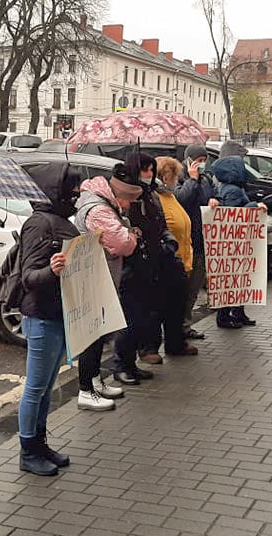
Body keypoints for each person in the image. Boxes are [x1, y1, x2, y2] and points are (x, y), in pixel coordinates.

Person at [16, 162, 82, 476]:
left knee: (45, 386)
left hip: (57, 313)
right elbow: (28, 276)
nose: (75, 195)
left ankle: (39, 443)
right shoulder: (40, 224)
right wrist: (52, 271)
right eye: (70, 189)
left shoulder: (56, 221)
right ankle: (28, 449)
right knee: (36, 387)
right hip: (42, 315)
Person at [73, 175, 139, 411]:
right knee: (92, 336)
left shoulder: (102, 206)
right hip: (94, 279)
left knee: (99, 334)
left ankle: (94, 381)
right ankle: (86, 390)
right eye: (129, 199)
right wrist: (132, 234)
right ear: (119, 195)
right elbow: (123, 244)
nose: (130, 205)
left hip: (99, 277)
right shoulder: (99, 210)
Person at [113, 154, 169, 384]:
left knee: (141, 318)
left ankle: (131, 364)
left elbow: (159, 223)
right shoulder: (125, 198)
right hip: (131, 267)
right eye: (144, 170)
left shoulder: (150, 195)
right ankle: (121, 365)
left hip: (150, 263)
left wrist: (166, 240)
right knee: (128, 320)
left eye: (151, 170)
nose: (149, 175)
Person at [138, 156, 197, 359]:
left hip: (176, 258)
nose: (177, 179)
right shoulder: (151, 196)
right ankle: (149, 348)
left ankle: (175, 342)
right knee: (156, 307)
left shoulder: (168, 195)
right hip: (160, 259)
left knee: (176, 305)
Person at [208, 154, 263, 328]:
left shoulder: (225, 187)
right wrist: (253, 206)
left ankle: (238, 314)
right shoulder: (233, 190)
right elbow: (232, 215)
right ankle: (226, 316)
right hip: (235, 242)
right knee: (233, 280)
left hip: (233, 242)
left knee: (234, 280)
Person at [175, 144, 215, 341]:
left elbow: (211, 195)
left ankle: (186, 323)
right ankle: (177, 326)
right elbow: (181, 199)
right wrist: (192, 179)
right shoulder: (180, 177)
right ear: (189, 160)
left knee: (194, 287)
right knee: (182, 288)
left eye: (204, 160)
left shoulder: (206, 179)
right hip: (185, 242)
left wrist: (215, 200)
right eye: (198, 160)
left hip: (201, 240)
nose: (202, 163)